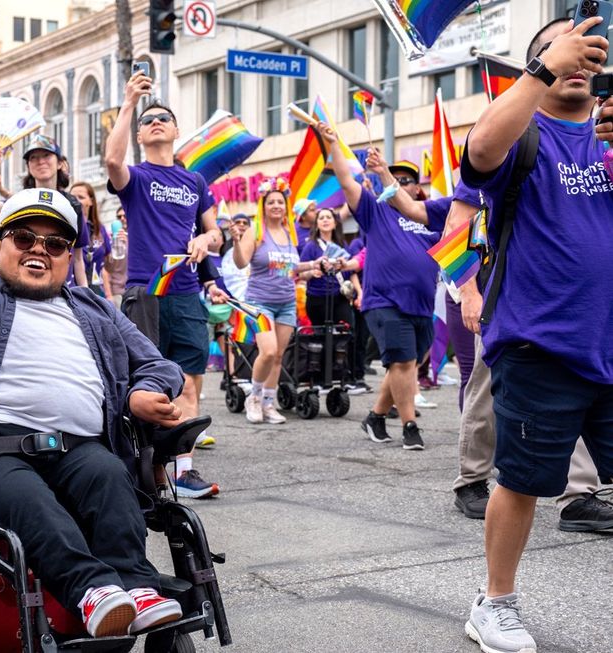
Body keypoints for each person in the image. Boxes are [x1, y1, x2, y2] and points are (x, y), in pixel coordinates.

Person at [0, 188, 185, 638]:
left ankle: (136, 587)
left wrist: (142, 392)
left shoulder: (95, 308)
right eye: (23, 238)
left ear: (67, 256)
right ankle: (92, 590)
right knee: (29, 500)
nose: (40, 250)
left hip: (79, 447)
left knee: (110, 477)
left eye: (55, 244)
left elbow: (158, 364)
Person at [459, 18, 613, 653]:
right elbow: (478, 155)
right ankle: (495, 604)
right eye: (559, 52)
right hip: (539, 343)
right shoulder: (521, 135)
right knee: (521, 483)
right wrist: (546, 64)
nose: (579, 62)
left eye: (589, 54)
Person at [105, 71, 225, 499]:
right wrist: (129, 103)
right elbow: (112, 163)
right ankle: (148, 467)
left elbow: (217, 235)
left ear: (176, 131)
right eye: (148, 120)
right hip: (145, 293)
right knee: (149, 383)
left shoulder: (194, 182)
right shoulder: (135, 177)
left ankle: (182, 470)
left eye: (163, 118)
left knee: (190, 381)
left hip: (187, 293)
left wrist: (205, 239)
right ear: (140, 134)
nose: (155, 122)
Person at [321, 125, 452, 452]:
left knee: (404, 365)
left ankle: (376, 416)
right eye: (396, 179)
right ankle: (410, 425)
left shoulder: (430, 218)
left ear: (418, 190)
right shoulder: (375, 211)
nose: (400, 184)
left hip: (422, 306)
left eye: (407, 180)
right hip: (385, 302)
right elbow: (347, 181)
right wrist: (334, 143)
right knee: (403, 363)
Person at [230, 186, 324, 423]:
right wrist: (236, 242)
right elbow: (241, 263)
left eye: (280, 203)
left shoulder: (289, 233)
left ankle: (269, 403)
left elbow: (290, 268)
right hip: (259, 302)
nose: (276, 206)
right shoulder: (256, 232)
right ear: (263, 205)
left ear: (286, 207)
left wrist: (313, 265)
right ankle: (254, 397)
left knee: (279, 356)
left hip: (287, 303)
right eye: (271, 202)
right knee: (268, 351)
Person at [0, 135, 89, 287]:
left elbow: (78, 259)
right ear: (28, 166)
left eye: (46, 155)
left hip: (63, 290)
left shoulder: (73, 205)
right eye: (34, 158)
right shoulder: (21, 202)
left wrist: (84, 296)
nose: (41, 161)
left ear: (60, 163)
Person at [70, 181, 114, 301]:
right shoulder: (68, 228)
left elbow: (107, 267)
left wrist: (109, 294)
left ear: (90, 201)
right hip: (74, 291)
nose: (76, 200)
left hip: (97, 292)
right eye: (72, 197)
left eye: (81, 197)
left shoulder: (100, 229)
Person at [103, 206, 129, 308]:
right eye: (119, 217)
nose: (122, 218)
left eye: (125, 215)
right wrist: (109, 295)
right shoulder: (111, 241)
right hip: (116, 293)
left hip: (133, 290)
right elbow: (105, 270)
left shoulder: (137, 239)